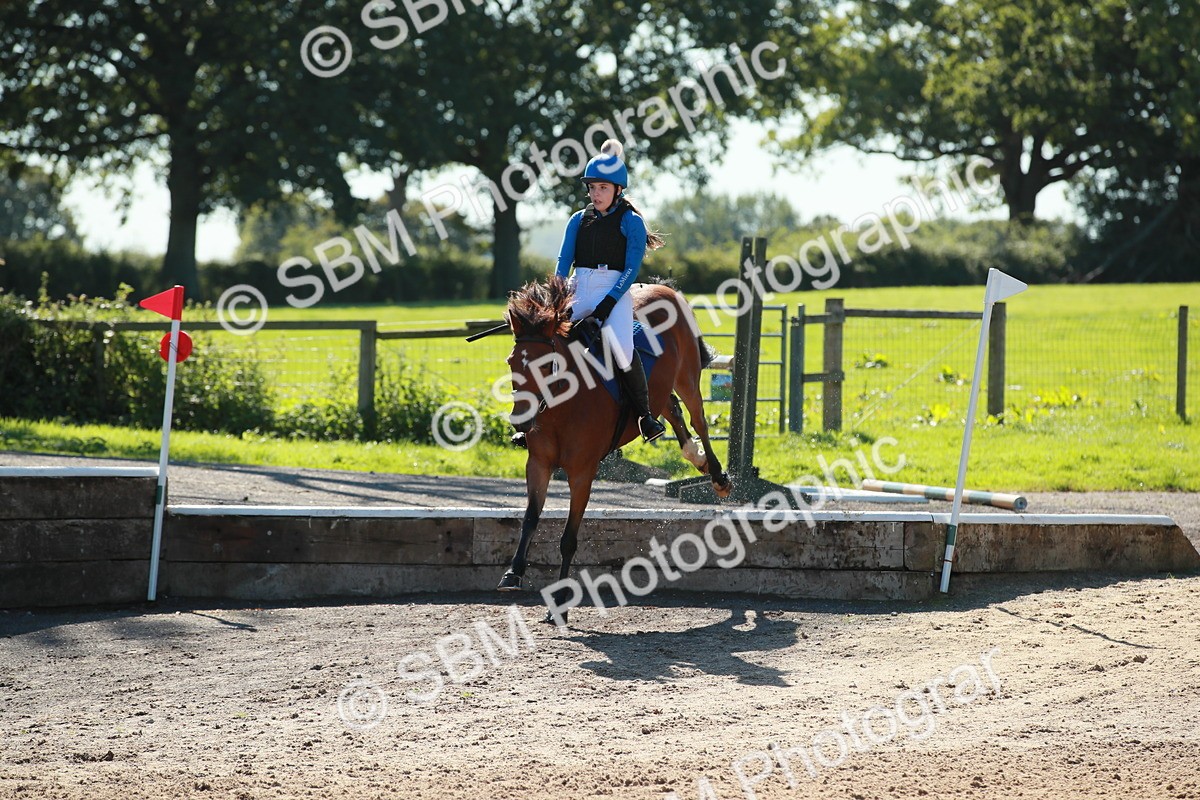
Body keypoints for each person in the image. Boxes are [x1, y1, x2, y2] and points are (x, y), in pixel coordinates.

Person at [554, 138, 667, 443]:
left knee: (622, 348)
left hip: (613, 290)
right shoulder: (578, 219)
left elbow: (631, 270)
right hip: (579, 286)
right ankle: (537, 419)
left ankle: (645, 416)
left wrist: (607, 305)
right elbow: (564, 261)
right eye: (592, 188)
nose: (596, 193)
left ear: (618, 190)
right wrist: (557, 294)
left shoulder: (631, 221)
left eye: (603, 188)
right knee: (554, 343)